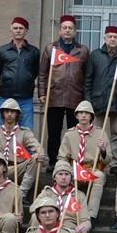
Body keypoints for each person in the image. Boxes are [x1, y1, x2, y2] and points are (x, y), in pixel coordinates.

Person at [83, 24, 117, 161]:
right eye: (110, 36)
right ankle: (96, 160)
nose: (112, 39)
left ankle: (114, 162)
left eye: (115, 37)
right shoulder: (95, 55)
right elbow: (88, 79)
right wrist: (88, 100)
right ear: (104, 38)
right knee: (96, 133)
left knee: (116, 134)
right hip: (98, 101)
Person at [38, 15, 88, 146]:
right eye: (64, 28)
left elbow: (87, 75)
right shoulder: (51, 48)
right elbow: (43, 72)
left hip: (75, 96)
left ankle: (72, 161)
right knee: (54, 131)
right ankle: (53, 162)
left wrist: (86, 97)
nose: (67, 30)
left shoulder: (82, 50)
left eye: (70, 28)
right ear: (59, 30)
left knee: (74, 131)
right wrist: (42, 93)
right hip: (54, 95)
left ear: (75, 31)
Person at [56, 101, 108, 220]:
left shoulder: (100, 133)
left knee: (99, 176)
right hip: (74, 169)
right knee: (63, 176)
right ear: (76, 116)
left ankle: (91, 216)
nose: (83, 115)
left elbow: (107, 159)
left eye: (86, 113)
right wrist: (63, 170)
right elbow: (62, 156)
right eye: (81, 113)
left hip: (92, 169)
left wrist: (103, 150)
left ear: (91, 116)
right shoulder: (69, 134)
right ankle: (67, 215)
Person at [0, 16, 40, 128]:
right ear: (11, 30)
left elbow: (35, 72)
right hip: (5, 95)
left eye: (21, 28)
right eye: (15, 28)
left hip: (26, 97)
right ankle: (3, 147)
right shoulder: (2, 50)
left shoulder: (34, 51)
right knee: (2, 128)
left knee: (27, 129)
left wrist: (26, 80)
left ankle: (23, 147)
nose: (18, 30)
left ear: (26, 31)